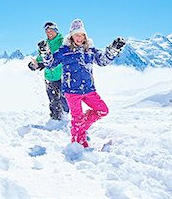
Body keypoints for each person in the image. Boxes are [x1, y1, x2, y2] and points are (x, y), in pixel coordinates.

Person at [38, 19, 125, 147]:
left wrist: (113, 49)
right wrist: (45, 53)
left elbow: (102, 61)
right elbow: (51, 63)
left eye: (82, 35)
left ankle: (78, 129)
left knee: (102, 110)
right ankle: (78, 145)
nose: (79, 38)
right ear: (71, 36)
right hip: (71, 91)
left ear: (85, 35)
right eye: (76, 35)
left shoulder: (90, 50)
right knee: (77, 119)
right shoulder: (64, 50)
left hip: (89, 90)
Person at [28, 22, 69, 120]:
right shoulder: (44, 45)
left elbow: (62, 57)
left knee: (65, 101)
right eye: (47, 31)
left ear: (56, 30)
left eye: (51, 30)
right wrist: (34, 65)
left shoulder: (62, 42)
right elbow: (40, 59)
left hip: (62, 76)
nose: (49, 33)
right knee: (53, 101)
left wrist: (44, 63)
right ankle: (55, 121)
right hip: (49, 77)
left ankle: (67, 118)